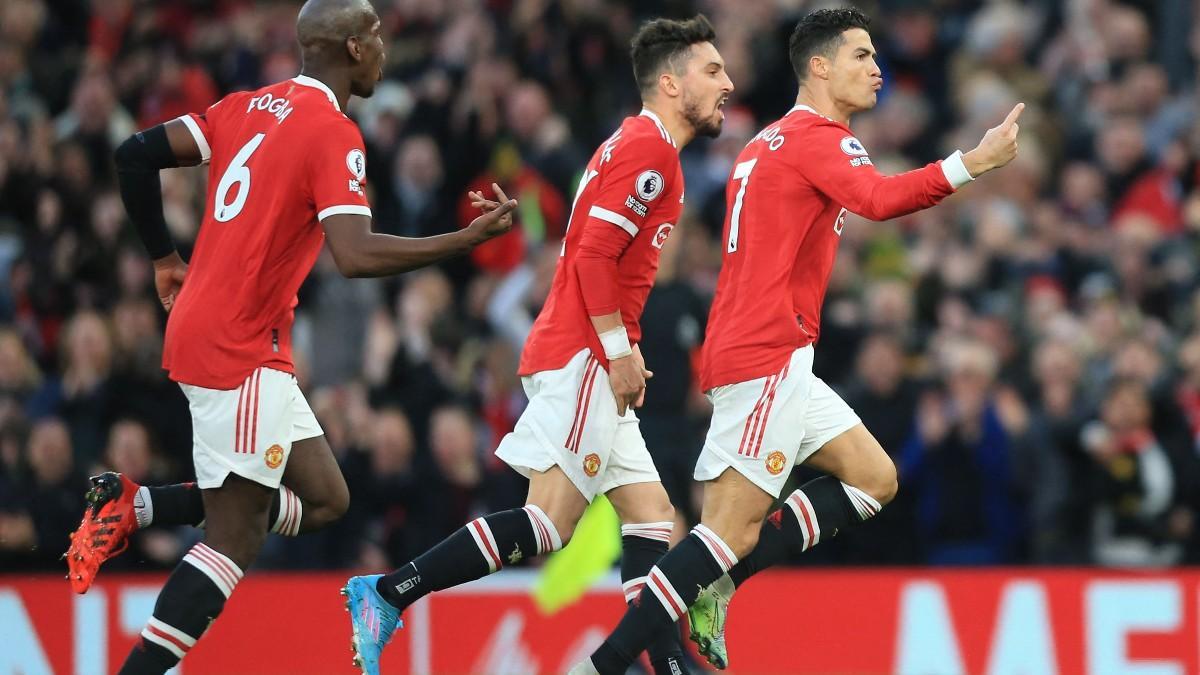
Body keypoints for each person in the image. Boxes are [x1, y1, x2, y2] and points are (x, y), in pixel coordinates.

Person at [62, 1, 517, 672]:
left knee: (328, 497)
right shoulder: (332, 132)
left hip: (217, 330)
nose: (386, 47)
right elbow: (355, 255)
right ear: (353, 49)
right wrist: (464, 240)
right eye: (377, 35)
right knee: (234, 537)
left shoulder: (244, 105)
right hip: (239, 348)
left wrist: (164, 257)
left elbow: (135, 155)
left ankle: (138, 503)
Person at [572, 8, 1022, 673]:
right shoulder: (822, 139)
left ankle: (718, 587)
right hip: (766, 355)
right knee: (725, 532)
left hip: (775, 351)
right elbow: (879, 199)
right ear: (819, 66)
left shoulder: (764, 144)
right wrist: (973, 162)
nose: (877, 70)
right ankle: (604, 664)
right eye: (862, 56)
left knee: (874, 478)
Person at [340, 14, 733, 675]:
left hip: (584, 355)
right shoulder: (651, 151)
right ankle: (387, 591)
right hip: (585, 358)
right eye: (713, 71)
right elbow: (592, 258)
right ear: (671, 82)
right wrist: (617, 348)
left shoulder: (633, 144)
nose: (727, 83)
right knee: (548, 523)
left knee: (651, 518)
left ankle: (665, 664)